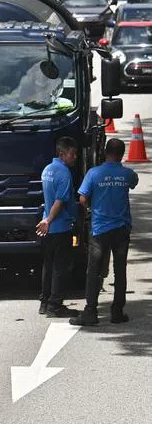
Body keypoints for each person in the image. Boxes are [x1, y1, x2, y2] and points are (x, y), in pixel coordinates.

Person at [70, 138, 138, 326]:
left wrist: (92, 209)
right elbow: (134, 182)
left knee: (93, 271)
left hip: (100, 229)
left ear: (104, 152)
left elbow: (83, 198)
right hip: (121, 230)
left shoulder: (94, 173)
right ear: (122, 154)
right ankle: (117, 311)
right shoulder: (127, 174)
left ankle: (90, 312)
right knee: (120, 270)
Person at [35, 138, 79, 318]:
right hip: (59, 226)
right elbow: (59, 202)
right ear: (62, 154)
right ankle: (55, 304)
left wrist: (46, 221)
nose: (75, 157)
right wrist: (49, 220)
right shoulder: (64, 173)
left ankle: (45, 302)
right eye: (72, 153)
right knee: (60, 267)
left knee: (48, 265)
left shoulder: (47, 170)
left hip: (48, 229)